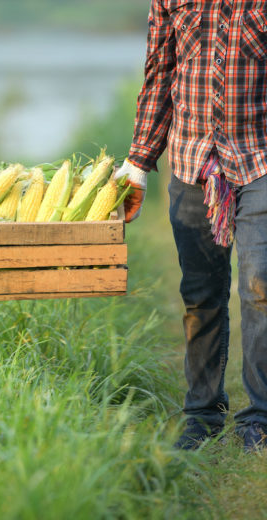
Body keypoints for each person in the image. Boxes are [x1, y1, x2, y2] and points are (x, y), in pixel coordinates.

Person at [115, 1, 267, 452]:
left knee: (260, 283)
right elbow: (160, 75)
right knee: (200, 292)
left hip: (258, 155)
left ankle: (259, 415)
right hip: (191, 159)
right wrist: (139, 162)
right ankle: (202, 412)